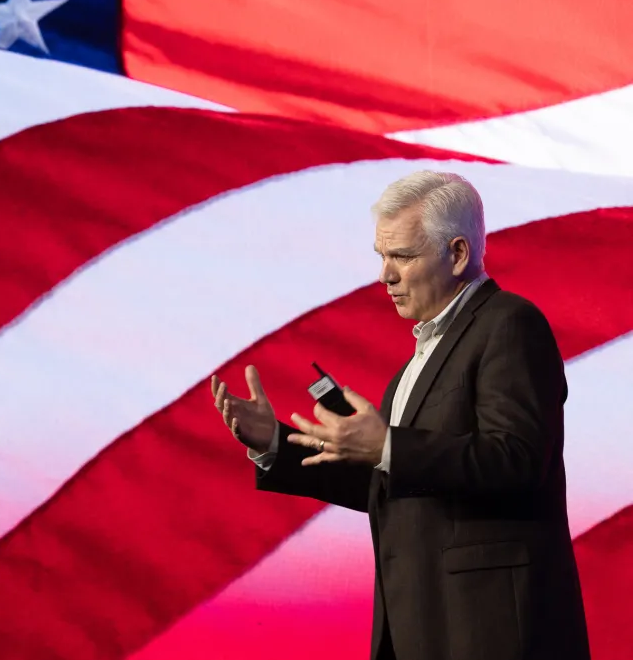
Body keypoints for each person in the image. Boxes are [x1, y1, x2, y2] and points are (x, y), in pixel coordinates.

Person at [211, 171, 590, 660]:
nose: (385, 275)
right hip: (418, 625)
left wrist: (389, 446)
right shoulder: (414, 364)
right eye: (382, 256)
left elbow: (517, 459)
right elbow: (388, 487)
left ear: (456, 254)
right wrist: (274, 444)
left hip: (489, 630)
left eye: (403, 257)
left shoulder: (510, 325)